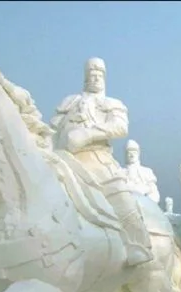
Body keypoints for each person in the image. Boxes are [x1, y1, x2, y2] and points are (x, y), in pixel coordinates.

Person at [50, 57, 152, 266]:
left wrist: (87, 134)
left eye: (99, 74)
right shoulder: (70, 102)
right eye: (91, 74)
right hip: (63, 158)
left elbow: (120, 127)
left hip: (96, 158)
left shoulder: (111, 104)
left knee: (120, 197)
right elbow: (53, 128)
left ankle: (137, 245)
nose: (95, 78)